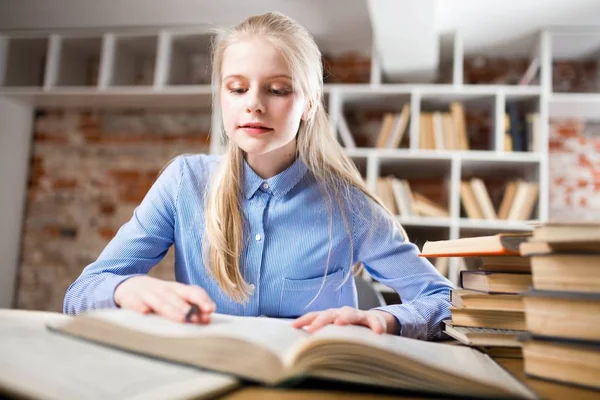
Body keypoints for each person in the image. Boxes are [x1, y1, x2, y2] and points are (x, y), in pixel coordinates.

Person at [64, 12, 453, 340]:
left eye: (278, 90)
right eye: (237, 88)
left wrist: (386, 318)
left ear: (309, 104)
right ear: (221, 96)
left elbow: (443, 298)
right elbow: (80, 293)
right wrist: (125, 287)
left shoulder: (348, 203)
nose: (253, 104)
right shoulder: (184, 181)